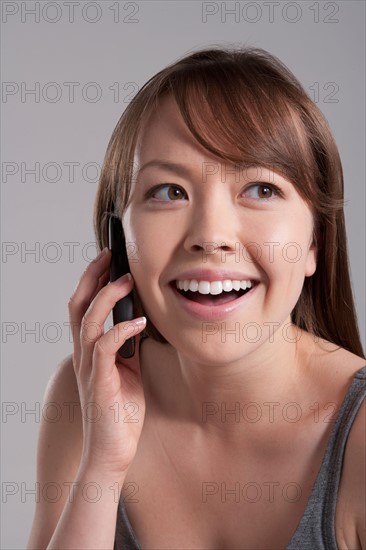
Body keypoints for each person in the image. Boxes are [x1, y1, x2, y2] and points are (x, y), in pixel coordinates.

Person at [27, 46, 365, 550]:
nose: (211, 235)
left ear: (314, 241)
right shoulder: (85, 400)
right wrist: (102, 464)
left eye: (261, 189)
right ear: (119, 242)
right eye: (168, 191)